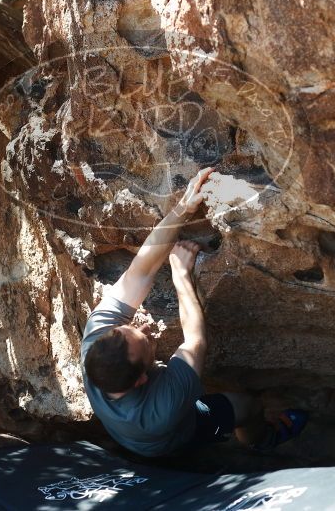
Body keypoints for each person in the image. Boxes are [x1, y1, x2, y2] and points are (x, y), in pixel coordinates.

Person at [81, 168, 307, 458]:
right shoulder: (160, 410)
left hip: (129, 429)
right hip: (172, 436)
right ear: (140, 380)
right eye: (146, 341)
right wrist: (180, 275)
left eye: (132, 329)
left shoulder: (96, 343)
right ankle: (260, 440)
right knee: (248, 407)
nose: (146, 330)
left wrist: (182, 209)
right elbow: (195, 342)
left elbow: (140, 271)